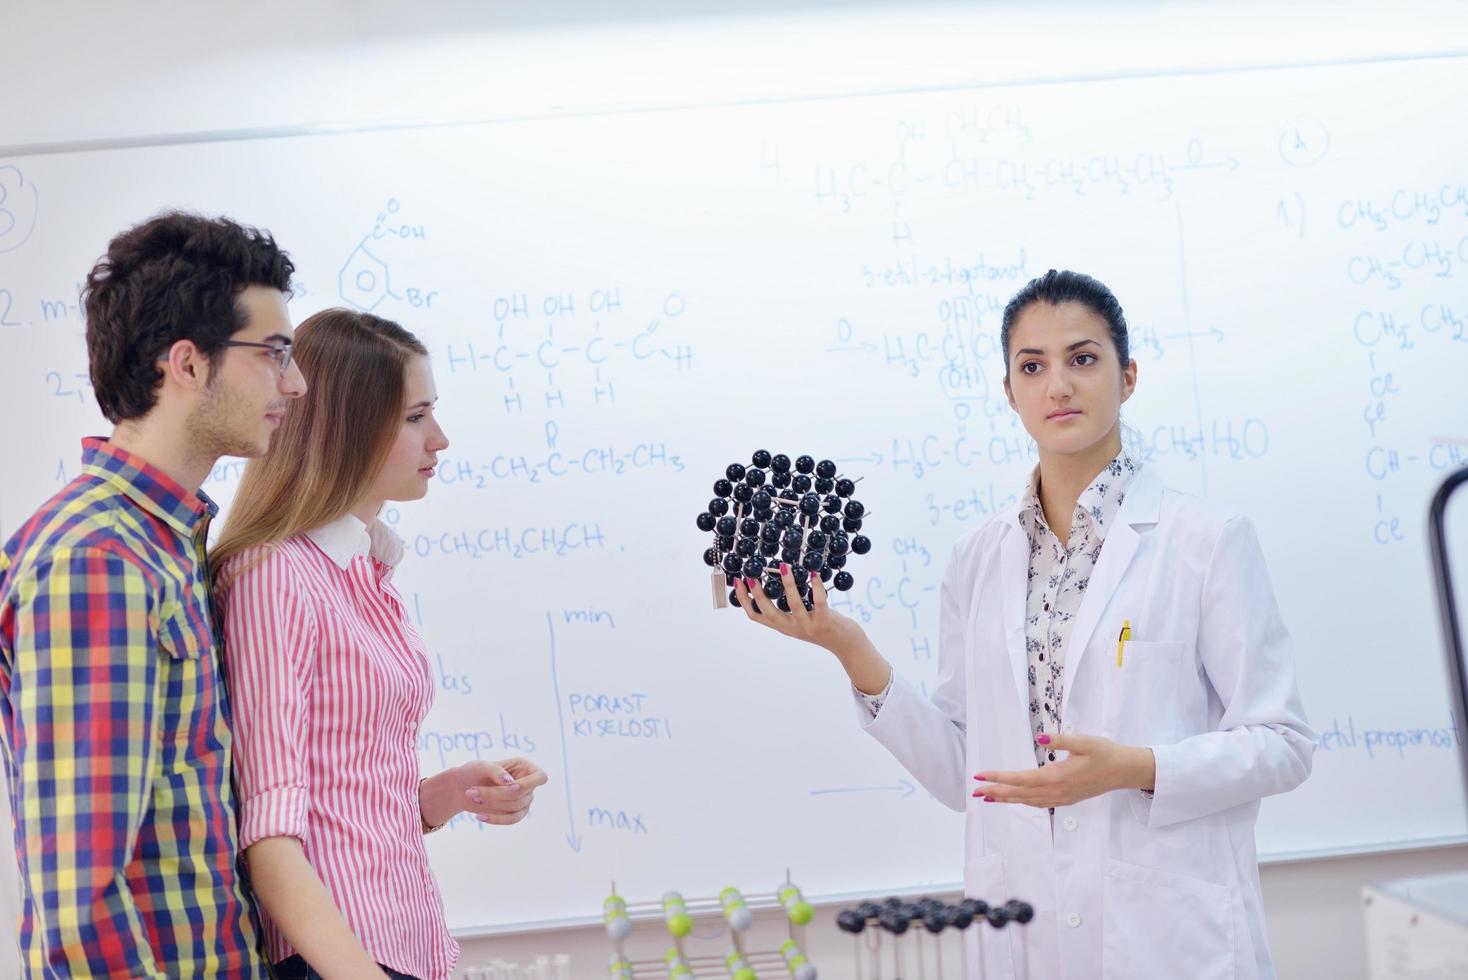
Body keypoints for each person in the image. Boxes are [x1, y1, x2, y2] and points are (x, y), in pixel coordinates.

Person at [731, 269, 1315, 979]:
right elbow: (962, 774)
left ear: (1127, 377)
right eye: (1032, 366)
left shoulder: (1208, 540)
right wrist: (846, 645)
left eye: (1083, 358)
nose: (1058, 386)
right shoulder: (979, 557)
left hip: (1167, 937)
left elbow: (1282, 744)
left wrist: (1134, 768)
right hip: (1023, 935)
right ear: (1009, 392)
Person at [0, 211, 305, 976]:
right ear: (187, 364)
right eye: (273, 354)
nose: (294, 384)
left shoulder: (166, 543)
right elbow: (81, 896)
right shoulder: (96, 559)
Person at [211, 308, 548, 980]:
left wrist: (446, 794)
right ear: (352, 427)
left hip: (398, 942)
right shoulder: (273, 574)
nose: (441, 439)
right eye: (417, 417)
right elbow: (271, 828)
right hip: (340, 958)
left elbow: (343, 790)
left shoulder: (365, 569)